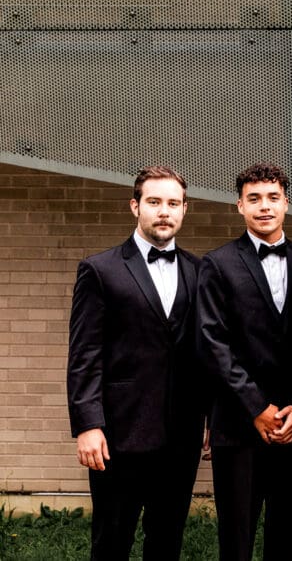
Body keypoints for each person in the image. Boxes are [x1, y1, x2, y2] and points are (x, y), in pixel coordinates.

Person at [67, 165, 204, 560]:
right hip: (118, 434)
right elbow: (84, 354)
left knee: (167, 542)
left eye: (173, 203)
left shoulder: (199, 271)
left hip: (181, 435)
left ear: (184, 209)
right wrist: (88, 425)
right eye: (154, 202)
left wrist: (211, 415)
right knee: (112, 542)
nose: (164, 211)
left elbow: (204, 352)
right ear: (135, 206)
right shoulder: (100, 269)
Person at [196, 163, 292, 561]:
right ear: (240, 206)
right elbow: (212, 342)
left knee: (289, 534)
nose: (264, 206)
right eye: (254, 199)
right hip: (238, 422)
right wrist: (257, 407)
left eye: (272, 197)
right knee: (237, 538)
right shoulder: (217, 264)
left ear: (286, 203)